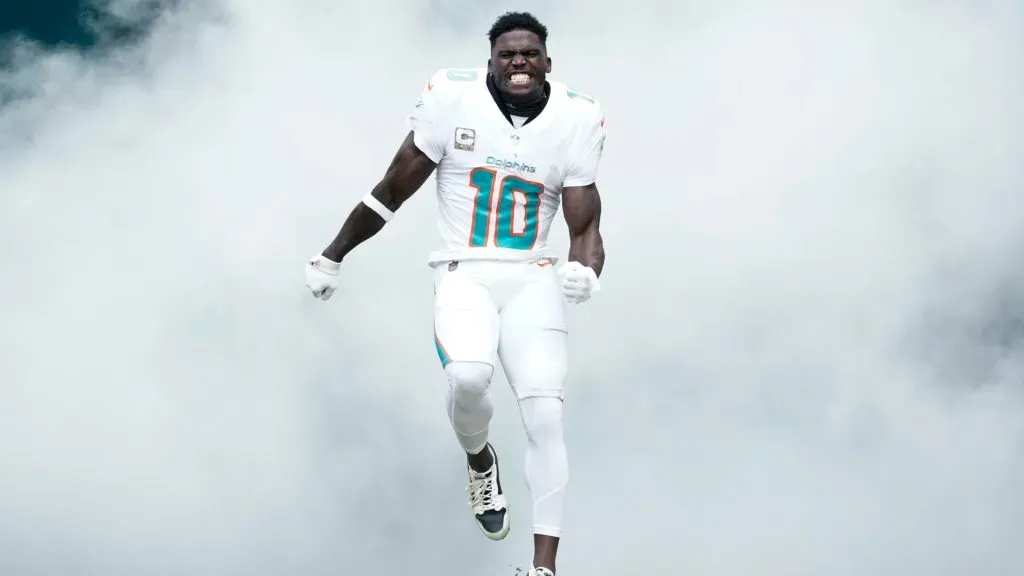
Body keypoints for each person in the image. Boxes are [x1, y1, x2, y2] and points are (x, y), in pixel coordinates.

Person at [304, 11, 606, 576]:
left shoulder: (577, 116)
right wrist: (333, 252)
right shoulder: (453, 98)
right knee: (468, 377)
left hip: (533, 276)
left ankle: (543, 568)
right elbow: (391, 189)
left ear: (547, 63)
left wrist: (586, 274)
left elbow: (586, 227)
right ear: (490, 61)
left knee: (545, 415)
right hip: (463, 269)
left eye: (530, 54)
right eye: (508, 54)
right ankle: (479, 458)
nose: (519, 62)